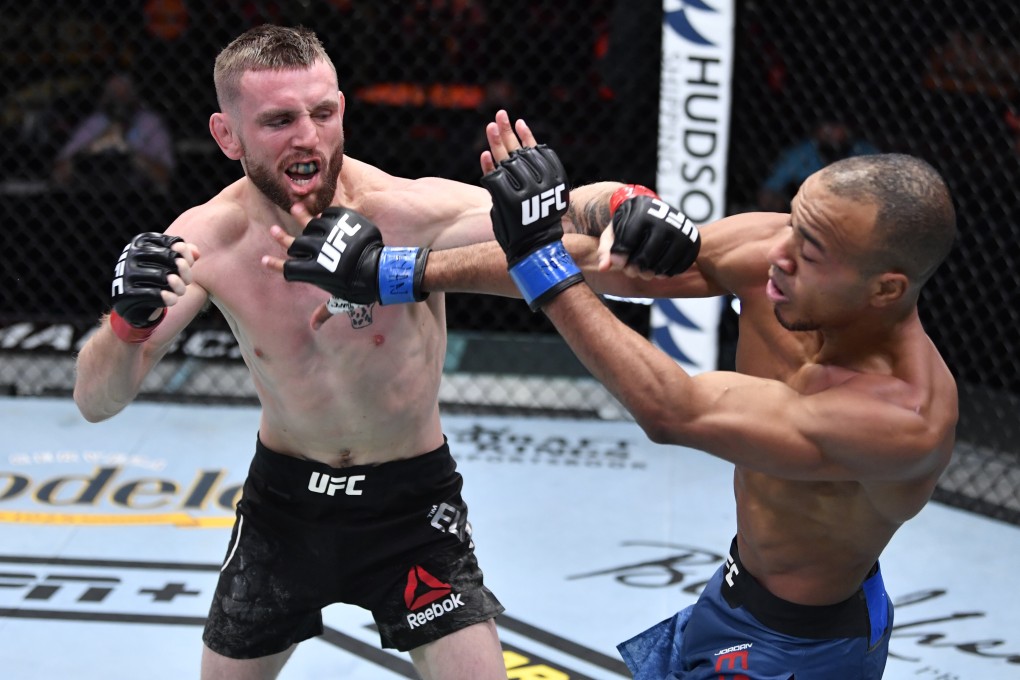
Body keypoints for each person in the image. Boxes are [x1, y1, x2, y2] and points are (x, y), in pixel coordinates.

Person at [294, 112, 958, 679]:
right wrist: (397, 273)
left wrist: (539, 260)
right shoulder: (779, 251)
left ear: (886, 290)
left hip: (806, 646)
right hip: (730, 593)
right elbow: (599, 256)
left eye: (810, 253)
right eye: (792, 227)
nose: (779, 254)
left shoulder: (903, 418)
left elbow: (675, 410)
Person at [71, 26, 628, 680]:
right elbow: (96, 402)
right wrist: (125, 327)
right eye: (278, 120)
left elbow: (582, 229)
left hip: (410, 506)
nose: (307, 136)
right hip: (283, 508)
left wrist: (602, 198)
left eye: (323, 112)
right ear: (228, 136)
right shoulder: (207, 241)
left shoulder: (408, 210)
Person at [52, 72, 175, 193]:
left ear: (134, 94)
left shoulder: (149, 122)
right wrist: (93, 147)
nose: (118, 98)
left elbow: (165, 176)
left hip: (138, 195)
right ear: (104, 96)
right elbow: (59, 171)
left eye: (124, 92)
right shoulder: (95, 122)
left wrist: (128, 151)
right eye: (113, 92)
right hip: (94, 193)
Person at [757, 118, 879, 211]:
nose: (829, 132)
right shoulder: (801, 153)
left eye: (835, 126)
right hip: (806, 211)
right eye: (825, 126)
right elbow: (769, 191)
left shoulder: (864, 152)